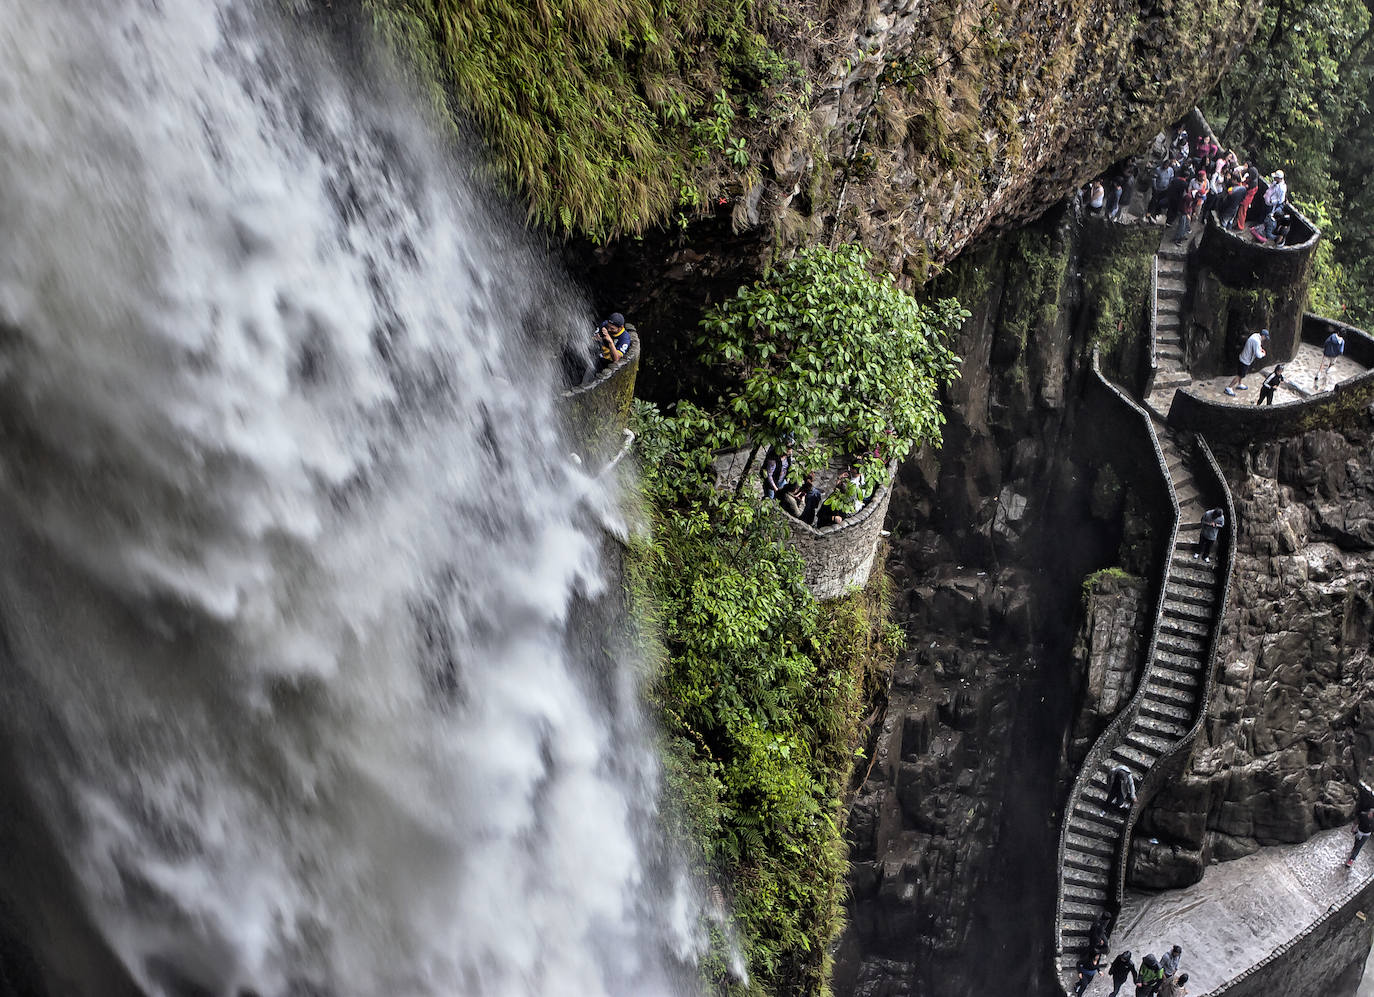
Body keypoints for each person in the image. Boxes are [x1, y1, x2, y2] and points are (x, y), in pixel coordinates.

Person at [1224, 328, 1269, 395]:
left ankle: (1239, 384)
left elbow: (1257, 347)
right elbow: (1258, 355)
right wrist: (1263, 354)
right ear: (1263, 336)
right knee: (1240, 375)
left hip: (1243, 357)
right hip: (1245, 360)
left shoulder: (1255, 335)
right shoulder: (1256, 341)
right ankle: (1229, 388)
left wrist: (1260, 349)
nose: (1265, 339)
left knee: (1242, 374)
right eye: (1265, 337)